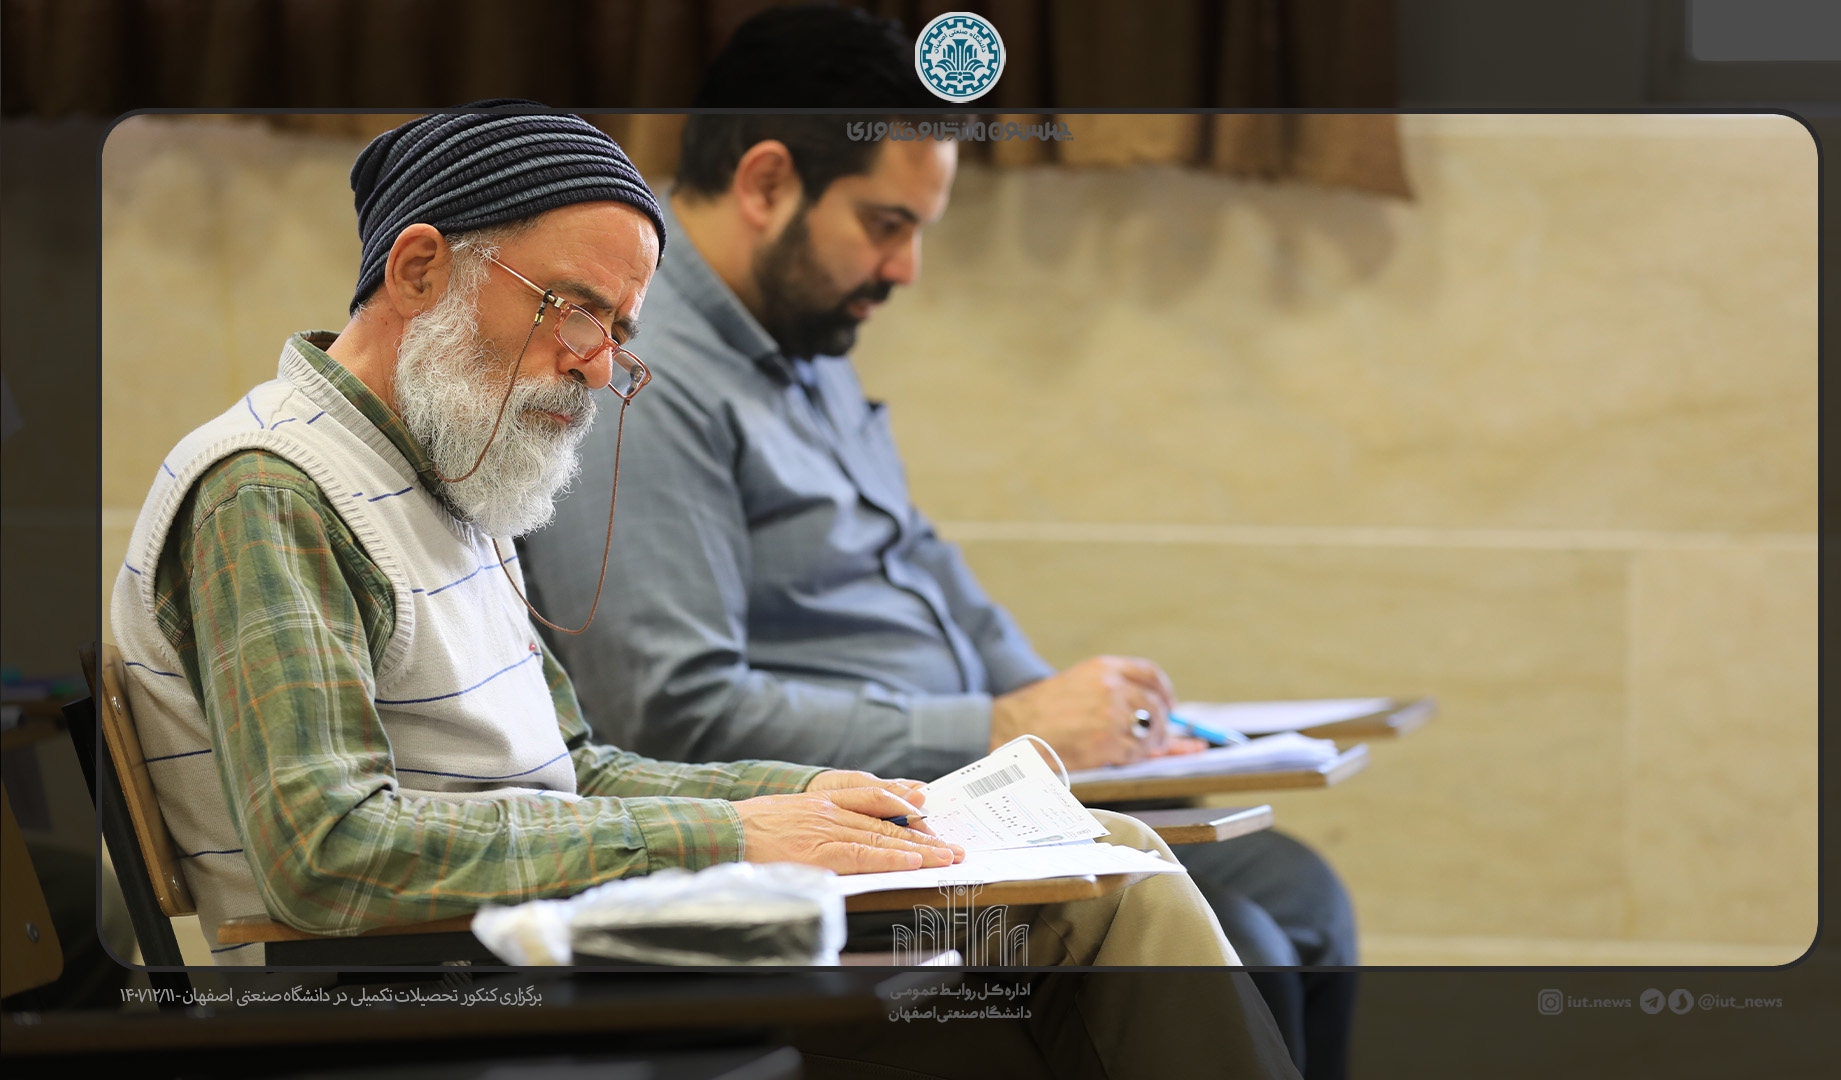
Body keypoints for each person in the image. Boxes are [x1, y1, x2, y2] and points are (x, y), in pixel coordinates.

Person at [106, 105, 1298, 1080]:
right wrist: (732, 832)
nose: (597, 366)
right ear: (419, 269)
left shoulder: (442, 471)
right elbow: (330, 854)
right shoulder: (270, 489)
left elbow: (578, 769)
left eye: (618, 329)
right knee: (1036, 982)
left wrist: (808, 796)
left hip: (537, 949)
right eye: (573, 307)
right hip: (430, 998)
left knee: (1102, 864)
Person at [518, 9, 1356, 1078]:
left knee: (1302, 895)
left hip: (967, 797)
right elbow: (669, 713)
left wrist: (1093, 724)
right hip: (845, 838)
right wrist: (1001, 726)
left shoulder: (805, 345)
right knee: (1252, 938)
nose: (907, 268)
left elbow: (922, 567)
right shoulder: (648, 384)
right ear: (766, 183)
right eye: (885, 224)